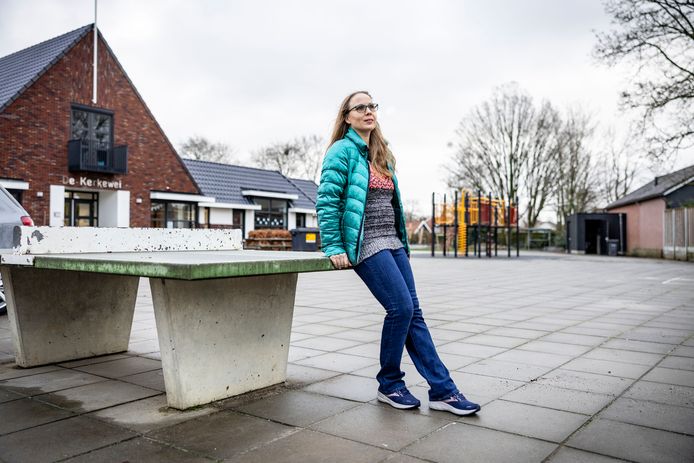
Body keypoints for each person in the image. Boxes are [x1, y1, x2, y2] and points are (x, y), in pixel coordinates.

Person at [315, 90, 481, 416]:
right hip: (366, 243)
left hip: (392, 241)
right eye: (359, 107)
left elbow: (393, 205)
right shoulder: (341, 152)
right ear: (347, 117)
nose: (368, 111)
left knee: (413, 313)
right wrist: (334, 246)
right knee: (400, 308)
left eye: (372, 106)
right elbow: (328, 201)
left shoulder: (381, 153)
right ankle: (390, 383)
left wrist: (403, 242)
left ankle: (443, 391)